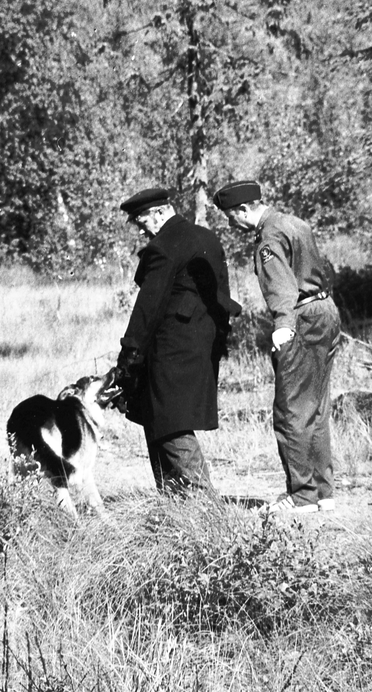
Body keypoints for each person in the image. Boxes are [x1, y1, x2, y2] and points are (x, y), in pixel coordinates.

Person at [212, 180, 340, 514]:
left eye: (230, 217)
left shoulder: (268, 238)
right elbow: (321, 268)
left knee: (291, 410)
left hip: (300, 319)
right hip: (325, 310)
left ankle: (301, 495)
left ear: (244, 210)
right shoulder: (293, 222)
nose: (231, 224)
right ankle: (322, 491)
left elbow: (282, 288)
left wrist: (283, 327)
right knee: (316, 407)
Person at [115, 187, 242, 496]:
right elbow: (223, 295)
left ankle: (204, 501)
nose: (140, 227)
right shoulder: (206, 236)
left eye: (141, 220)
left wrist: (130, 353)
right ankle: (174, 503)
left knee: (169, 421)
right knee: (162, 417)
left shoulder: (163, 246)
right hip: (202, 343)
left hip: (169, 347)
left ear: (160, 212)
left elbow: (149, 307)